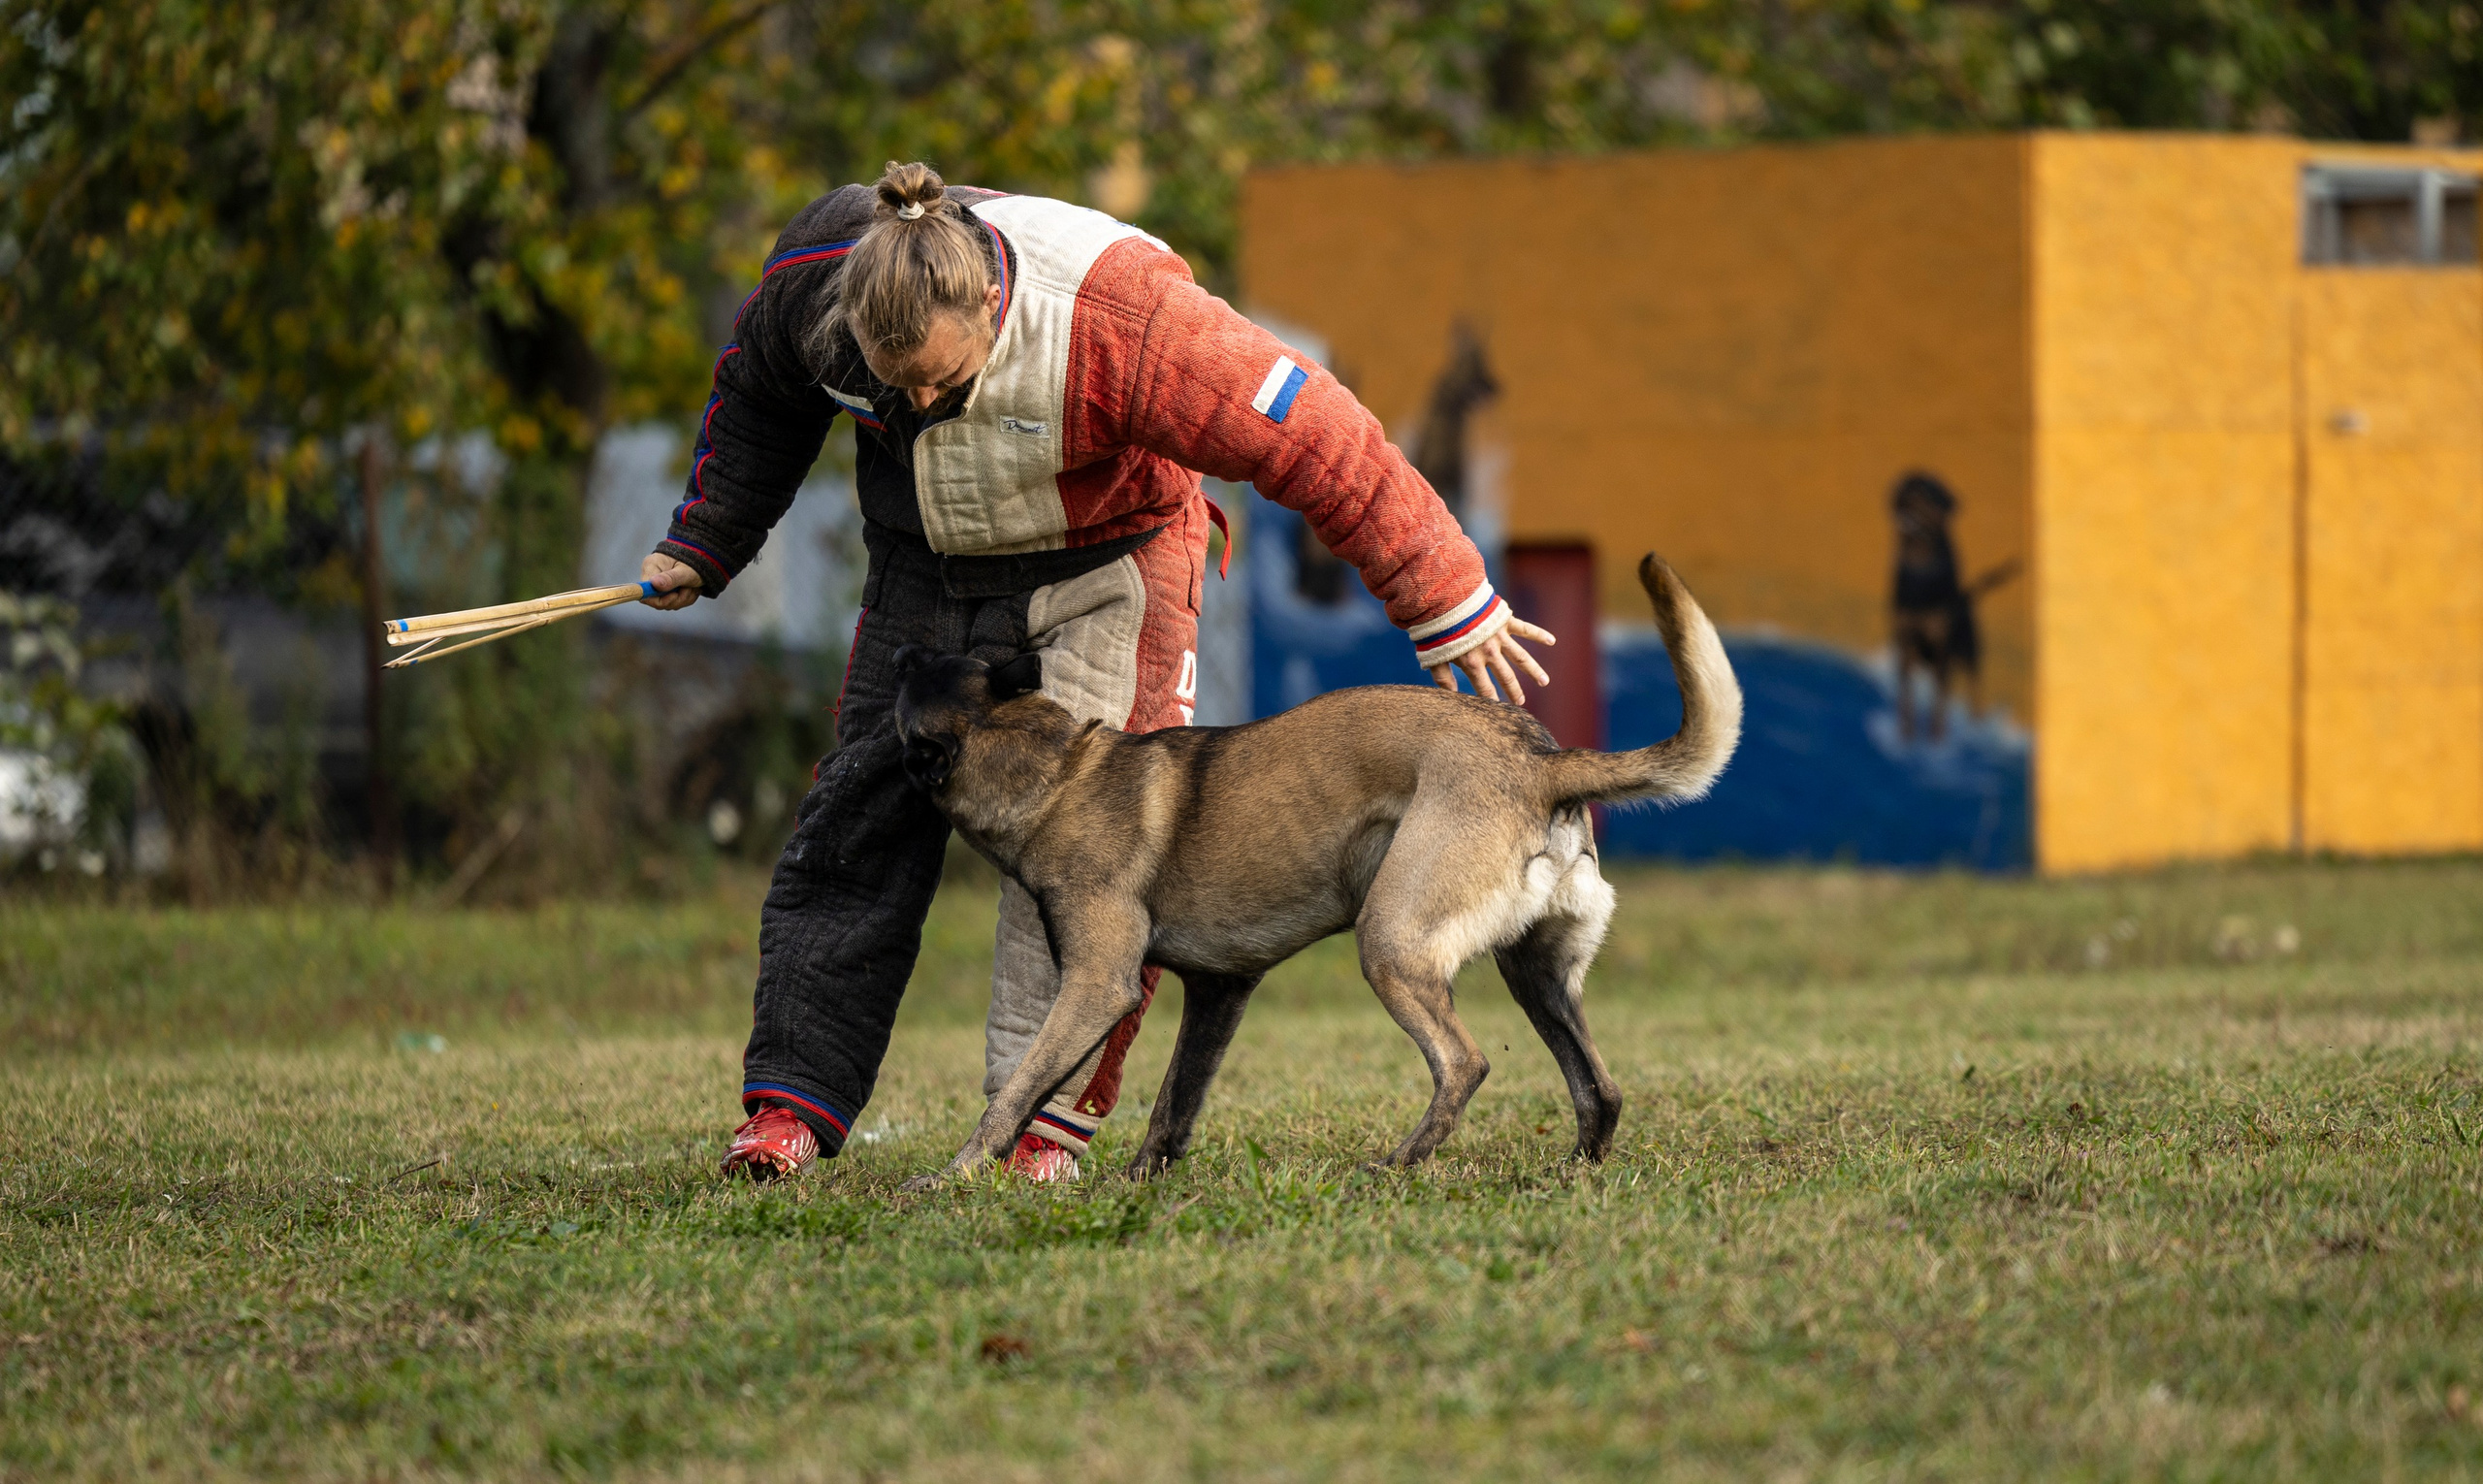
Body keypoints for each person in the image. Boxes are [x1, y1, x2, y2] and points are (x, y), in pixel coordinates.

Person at [643, 161, 1555, 1182]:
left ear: (992, 304)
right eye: (897, 386)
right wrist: (705, 543)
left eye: (947, 377)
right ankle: (787, 1113)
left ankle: (1040, 1133)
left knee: (1091, 854)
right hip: (926, 560)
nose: (926, 401)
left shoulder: (1125, 320)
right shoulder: (812, 285)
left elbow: (1316, 434)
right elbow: (758, 405)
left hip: (1111, 558)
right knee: (854, 821)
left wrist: (1442, 593)